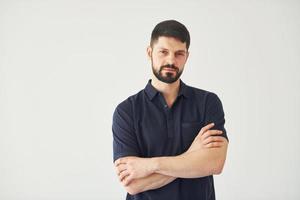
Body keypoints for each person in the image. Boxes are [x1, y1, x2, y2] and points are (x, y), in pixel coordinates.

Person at [112, 19, 228, 200]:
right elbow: (133, 184)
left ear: (187, 57)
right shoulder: (127, 111)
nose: (171, 60)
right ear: (149, 52)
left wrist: (150, 165)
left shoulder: (207, 102)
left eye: (179, 53)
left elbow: (215, 163)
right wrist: (191, 156)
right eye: (163, 52)